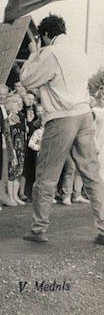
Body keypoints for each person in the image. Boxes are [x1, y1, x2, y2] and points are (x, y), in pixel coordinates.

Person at [20, 14, 104, 244]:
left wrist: (34, 53)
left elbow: (27, 78)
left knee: (46, 175)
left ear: (46, 35)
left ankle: (39, 228)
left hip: (61, 116)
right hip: (84, 113)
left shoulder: (50, 52)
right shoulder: (78, 50)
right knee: (91, 173)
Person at [5, 94, 26, 205]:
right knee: (11, 172)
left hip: (21, 147)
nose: (17, 106)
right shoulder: (7, 119)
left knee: (19, 172)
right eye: (15, 104)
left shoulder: (22, 117)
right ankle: (10, 196)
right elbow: (8, 135)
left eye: (18, 104)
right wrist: (11, 150)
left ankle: (16, 195)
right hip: (12, 147)